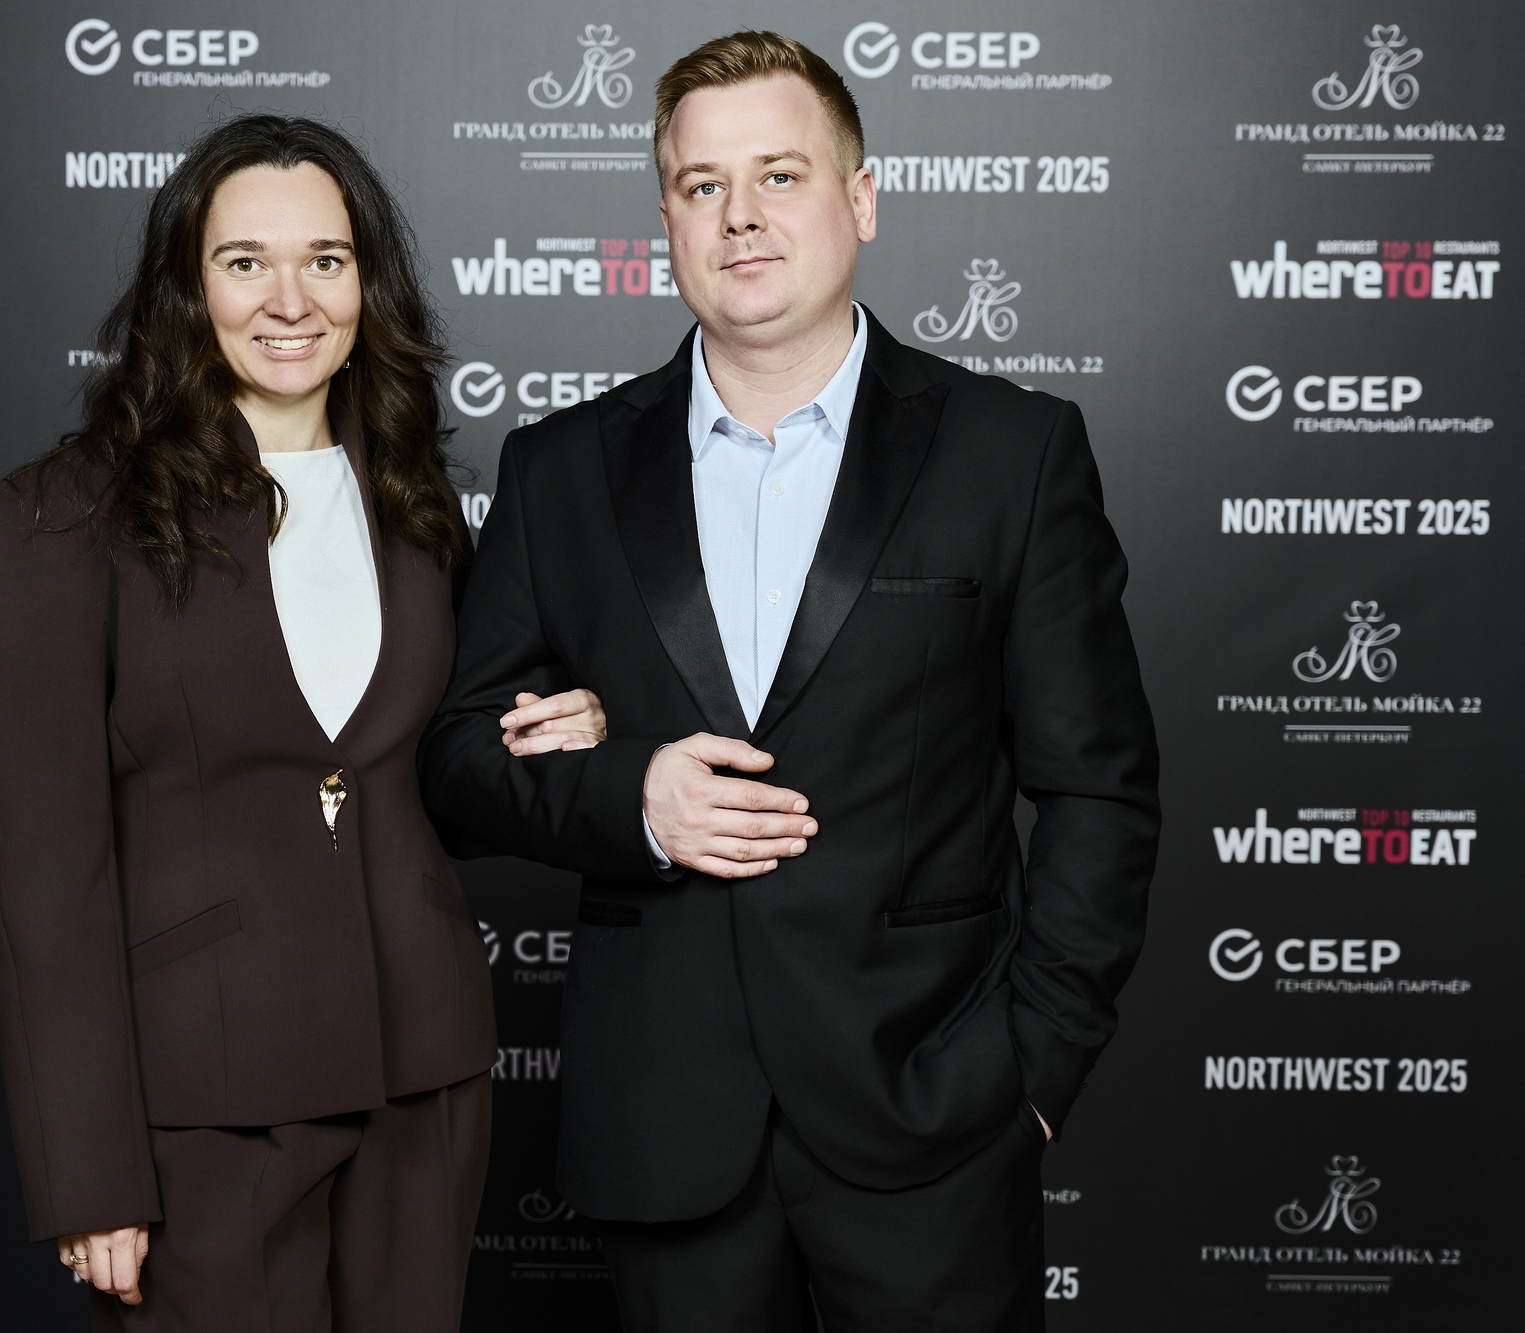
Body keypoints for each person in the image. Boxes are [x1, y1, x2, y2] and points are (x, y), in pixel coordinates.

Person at [420, 31, 1159, 1333]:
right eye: (701, 185)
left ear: (859, 199)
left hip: (933, 1116)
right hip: (665, 1126)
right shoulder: (558, 469)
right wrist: (633, 799)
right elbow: (459, 765)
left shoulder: (1012, 451)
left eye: (778, 174)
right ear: (665, 221)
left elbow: (1097, 791)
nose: (740, 215)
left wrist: (1031, 1069)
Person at [0, 114, 605, 1331]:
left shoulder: (414, 499)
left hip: (423, 1074)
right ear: (185, 286)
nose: (290, 300)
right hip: (199, 1105)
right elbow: (43, 881)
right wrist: (89, 1171)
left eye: (327, 260)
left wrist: (544, 736)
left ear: (369, 285)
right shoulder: (57, 520)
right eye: (245, 261)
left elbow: (431, 778)